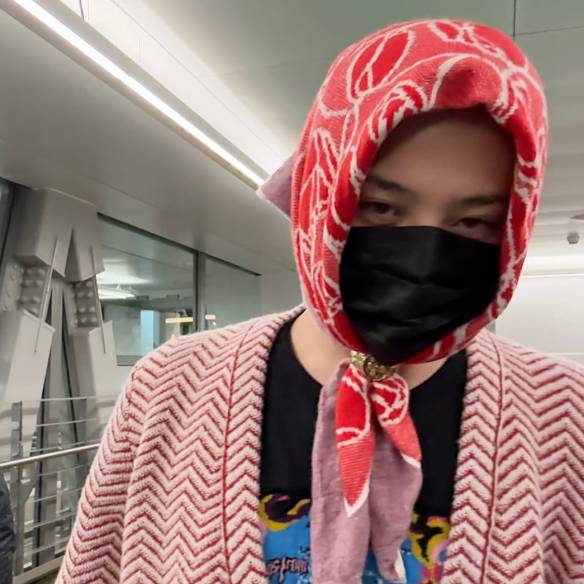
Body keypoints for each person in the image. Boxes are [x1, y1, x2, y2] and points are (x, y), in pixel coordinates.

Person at [57, 19, 584, 584]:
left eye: (473, 221)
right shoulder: (169, 387)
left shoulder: (563, 416)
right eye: (380, 207)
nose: (425, 253)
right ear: (318, 195)